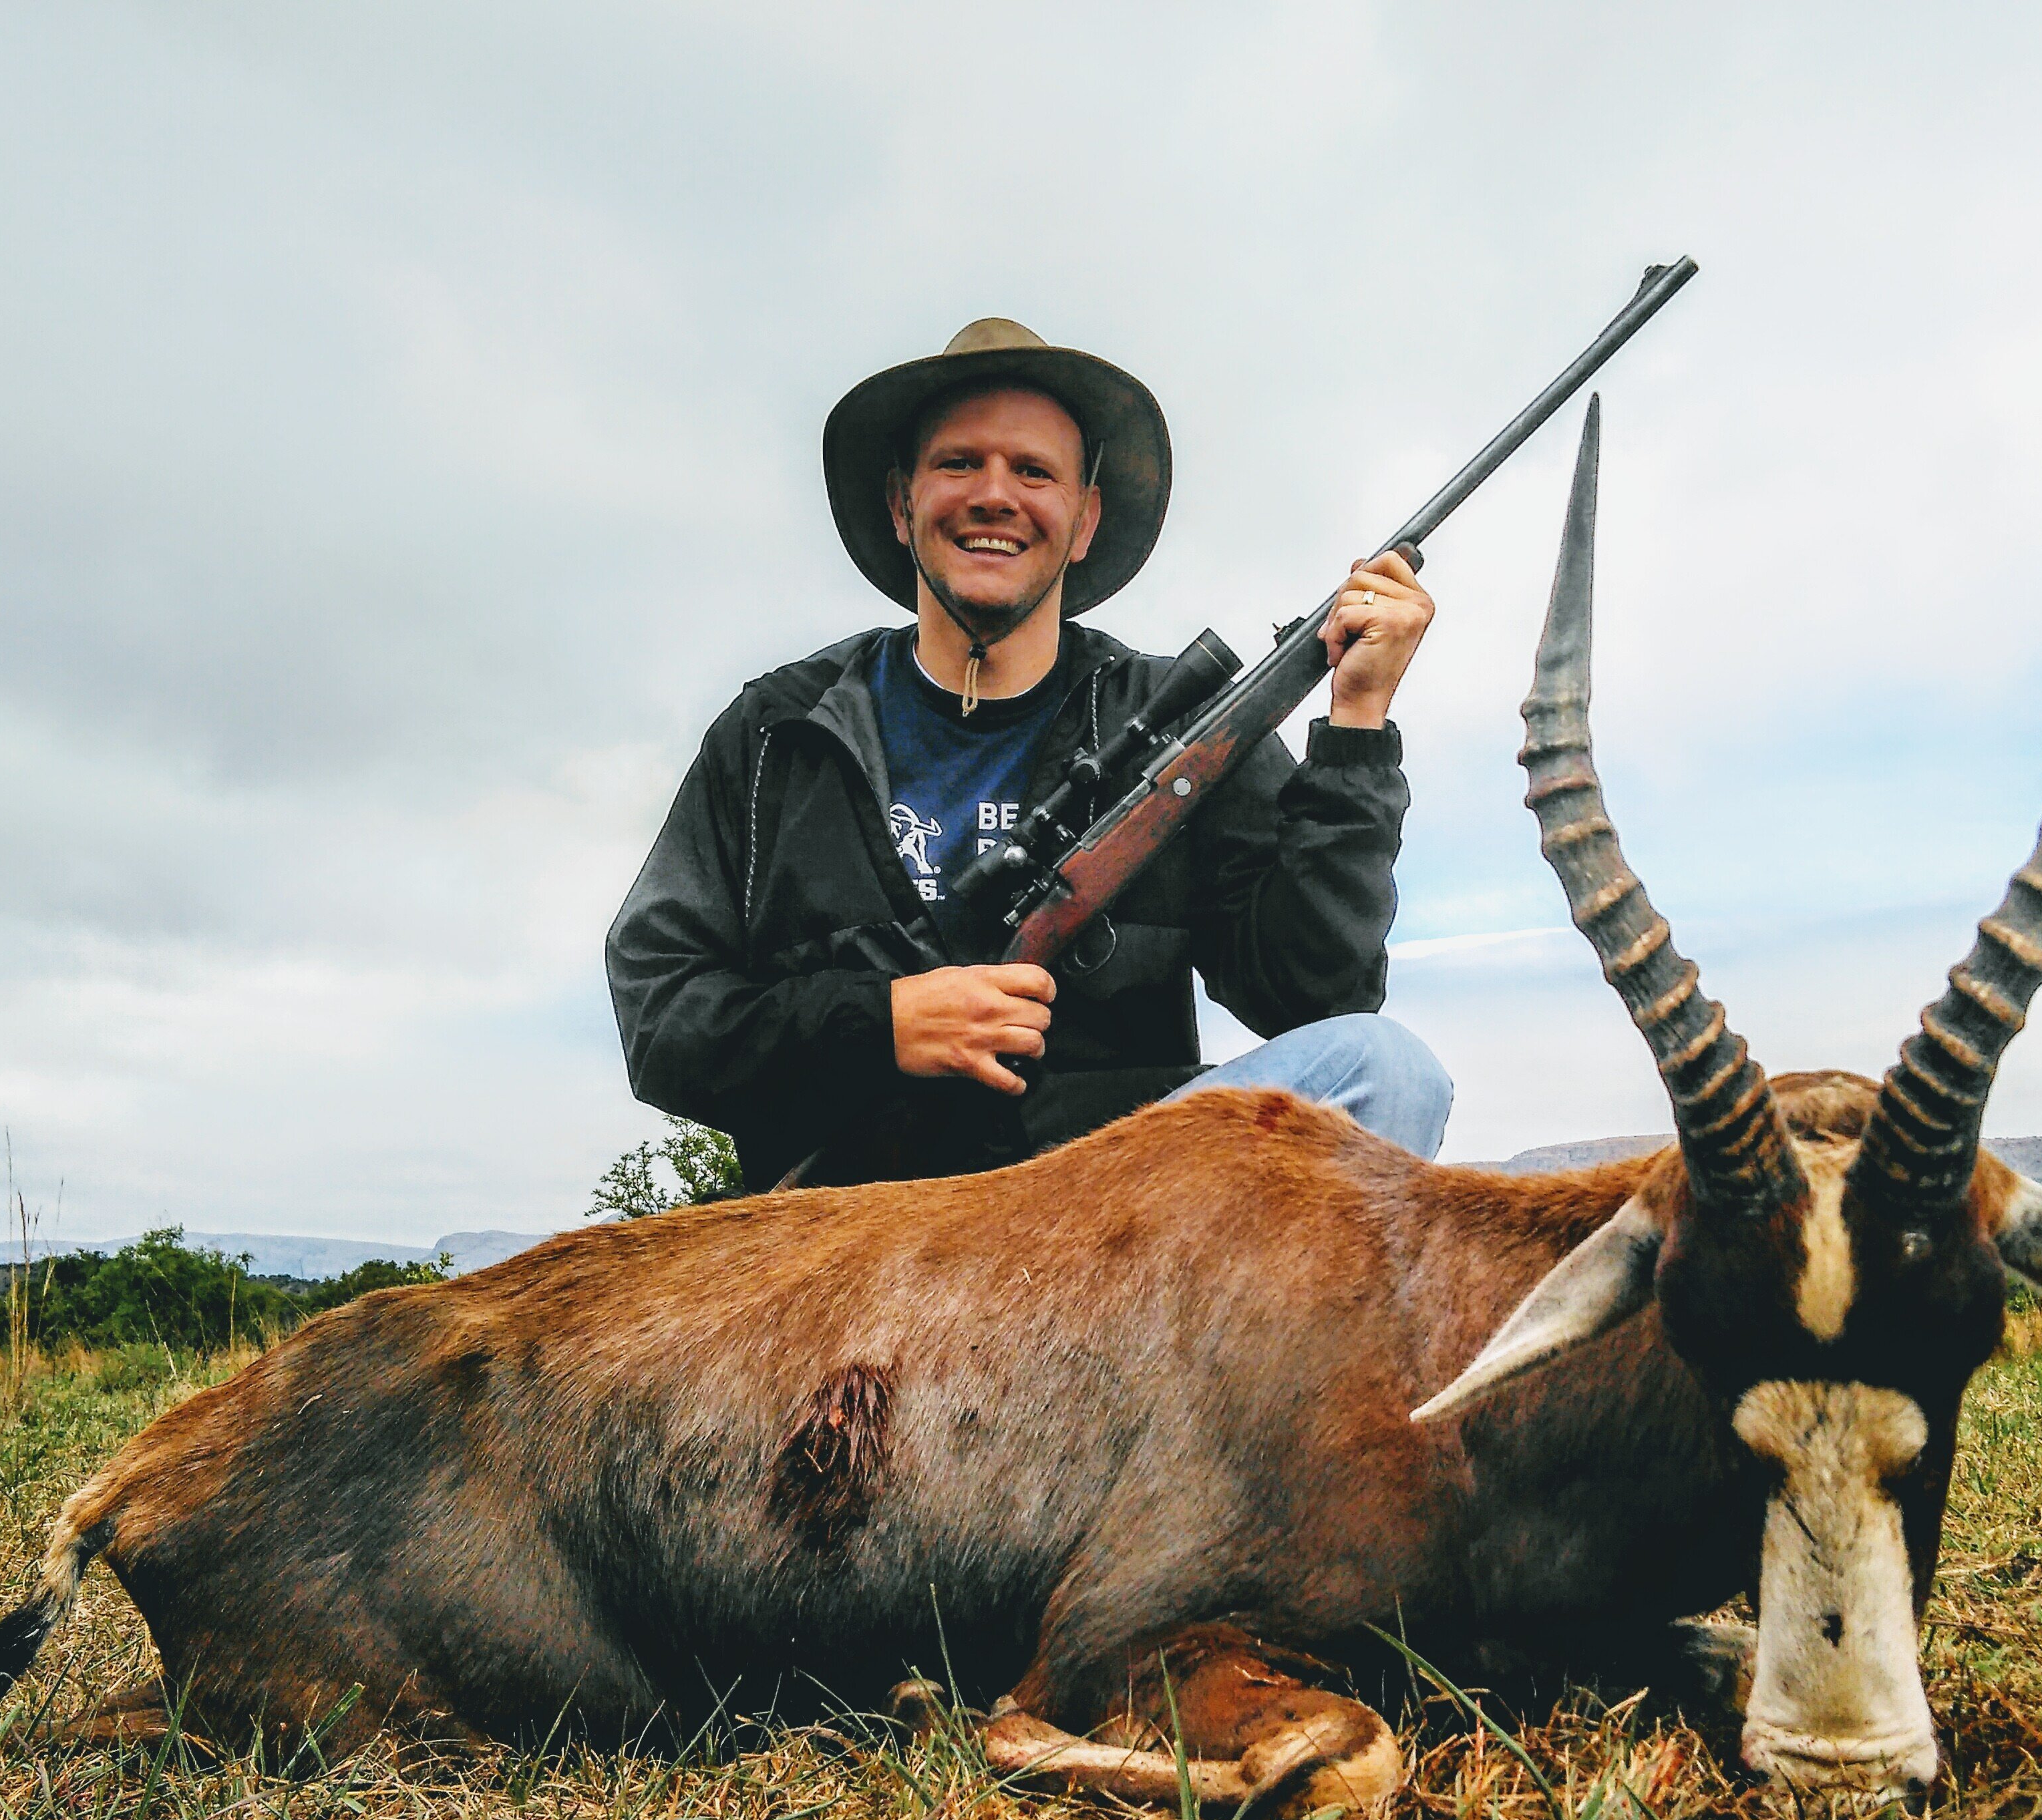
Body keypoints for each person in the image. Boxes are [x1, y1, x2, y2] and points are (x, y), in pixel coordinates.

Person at [607, 318, 1454, 1190]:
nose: (995, 495)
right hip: (847, 1248)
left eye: (1034, 471)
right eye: (959, 463)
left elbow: (1318, 998)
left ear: (1083, 520)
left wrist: (1356, 722)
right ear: (903, 504)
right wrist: (881, 1022)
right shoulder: (777, 734)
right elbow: (659, 1011)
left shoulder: (1176, 727)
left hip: (1106, 1223)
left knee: (1387, 1070)